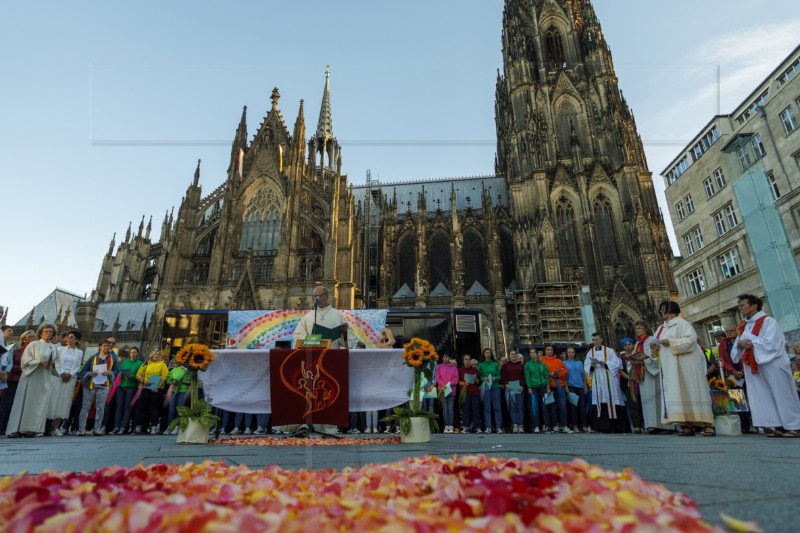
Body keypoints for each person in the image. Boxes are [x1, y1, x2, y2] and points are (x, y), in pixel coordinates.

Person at [730, 294, 800, 438]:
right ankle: (777, 425)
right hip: (755, 364)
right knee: (765, 395)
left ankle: (794, 426)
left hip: (773, 363)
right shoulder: (743, 325)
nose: (740, 307)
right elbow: (738, 345)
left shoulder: (768, 321)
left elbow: (773, 343)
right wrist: (740, 343)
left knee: (782, 394)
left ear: (754, 306)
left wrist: (750, 342)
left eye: (743, 304)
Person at [653, 301, 714, 436]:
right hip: (671, 367)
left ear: (671, 310)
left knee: (693, 391)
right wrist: (656, 347)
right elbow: (658, 344)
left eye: (663, 309)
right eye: (661, 309)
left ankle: (708, 424)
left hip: (687, 364)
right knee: (680, 393)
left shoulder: (683, 324)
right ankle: (688, 424)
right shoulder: (661, 328)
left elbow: (690, 341)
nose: (661, 312)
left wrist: (669, 342)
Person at [6, 324, 59, 437]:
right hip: (31, 377)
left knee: (39, 403)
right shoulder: (33, 344)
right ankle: (17, 428)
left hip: (44, 377)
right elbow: (25, 360)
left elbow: (58, 363)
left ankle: (32, 429)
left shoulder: (54, 347)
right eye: (46, 331)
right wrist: (39, 362)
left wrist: (53, 364)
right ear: (41, 333)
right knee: (25, 401)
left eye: (50, 332)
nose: (48, 333)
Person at [585, 332, 629, 433]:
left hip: (609, 378)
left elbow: (616, 363)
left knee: (612, 400)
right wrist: (591, 365)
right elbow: (586, 366)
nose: (595, 342)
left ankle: (615, 427)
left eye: (596, 339)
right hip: (597, 379)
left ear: (601, 340)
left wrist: (606, 364)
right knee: (600, 401)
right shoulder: (590, 353)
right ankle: (602, 427)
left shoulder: (609, 351)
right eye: (593, 340)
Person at [633, 321, 672, 434]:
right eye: (636, 328)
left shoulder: (651, 340)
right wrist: (633, 361)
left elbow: (655, 356)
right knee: (647, 401)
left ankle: (664, 426)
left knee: (657, 399)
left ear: (645, 329)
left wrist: (644, 362)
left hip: (652, 373)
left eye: (639, 328)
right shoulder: (637, 344)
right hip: (642, 374)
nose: (637, 330)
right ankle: (651, 425)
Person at [78, 339, 120, 436]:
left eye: (108, 346)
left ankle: (97, 428)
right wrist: (90, 373)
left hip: (103, 385)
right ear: (100, 347)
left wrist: (109, 373)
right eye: (104, 345)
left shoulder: (112, 358)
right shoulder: (93, 358)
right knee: (86, 407)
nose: (107, 347)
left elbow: (116, 371)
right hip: (90, 385)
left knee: (100, 408)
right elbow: (83, 371)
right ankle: (82, 429)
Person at [48, 330, 83, 436]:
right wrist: (62, 373)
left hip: (70, 379)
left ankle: (56, 428)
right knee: (53, 400)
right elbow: (56, 363)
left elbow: (78, 366)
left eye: (72, 337)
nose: (69, 339)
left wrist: (70, 374)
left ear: (76, 340)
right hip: (58, 376)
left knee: (64, 402)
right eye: (68, 337)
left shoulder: (79, 352)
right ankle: (47, 427)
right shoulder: (59, 349)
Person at [1, 329, 34, 433]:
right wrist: (25, 369)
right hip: (14, 380)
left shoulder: (35, 353)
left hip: (28, 381)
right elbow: (11, 365)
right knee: (7, 404)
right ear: (23, 339)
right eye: (29, 337)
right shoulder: (16, 351)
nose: (32, 339)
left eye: (33, 337)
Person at [135, 348, 168, 434]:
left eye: (158, 354)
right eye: (154, 354)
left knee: (154, 408)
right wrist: (143, 381)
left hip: (156, 389)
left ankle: (153, 426)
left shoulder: (162, 364)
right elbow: (138, 374)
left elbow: (164, 377)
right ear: (151, 355)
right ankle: (140, 426)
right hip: (146, 387)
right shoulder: (146, 364)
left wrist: (157, 387)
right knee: (142, 407)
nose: (156, 355)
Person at [113, 346, 143, 434]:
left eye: (134, 352)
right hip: (121, 386)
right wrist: (120, 375)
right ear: (129, 353)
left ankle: (123, 427)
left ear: (137, 353)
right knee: (119, 407)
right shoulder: (124, 362)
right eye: (131, 352)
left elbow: (139, 376)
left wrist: (131, 377)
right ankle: (116, 427)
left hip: (131, 387)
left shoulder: (140, 364)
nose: (133, 354)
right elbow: (119, 373)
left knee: (127, 407)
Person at [619, 338, 644, 433]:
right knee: (633, 405)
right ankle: (637, 426)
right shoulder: (621, 358)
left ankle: (645, 424)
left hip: (639, 382)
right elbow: (620, 370)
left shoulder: (637, 355)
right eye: (625, 345)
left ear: (633, 345)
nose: (627, 346)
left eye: (629, 344)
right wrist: (629, 378)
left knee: (641, 404)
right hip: (628, 383)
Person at [477, 347, 503, 433]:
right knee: (487, 408)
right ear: (484, 354)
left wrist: (495, 378)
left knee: (497, 407)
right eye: (486, 353)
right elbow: (478, 377)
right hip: (486, 387)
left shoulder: (495, 364)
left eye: (489, 353)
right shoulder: (480, 365)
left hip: (495, 387)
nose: (488, 354)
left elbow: (500, 376)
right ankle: (488, 427)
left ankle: (498, 427)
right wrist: (483, 378)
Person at [524, 349, 550, 433]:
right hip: (534, 388)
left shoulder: (542, 364)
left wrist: (548, 386)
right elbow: (527, 377)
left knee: (544, 407)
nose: (532, 354)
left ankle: (546, 425)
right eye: (530, 353)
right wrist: (529, 387)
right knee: (535, 407)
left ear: (537, 354)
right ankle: (536, 426)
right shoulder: (527, 365)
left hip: (543, 387)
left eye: (534, 352)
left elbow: (546, 375)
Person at [563, 346, 587, 433]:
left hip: (580, 386)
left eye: (572, 352)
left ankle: (584, 425)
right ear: (566, 353)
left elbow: (583, 375)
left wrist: (585, 387)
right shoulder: (564, 363)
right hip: (571, 386)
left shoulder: (580, 363)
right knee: (573, 407)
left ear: (575, 353)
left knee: (582, 407)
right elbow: (564, 376)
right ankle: (575, 425)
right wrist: (566, 387)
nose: (570, 353)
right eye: (569, 352)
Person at [501, 350, 526, 433]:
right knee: (512, 407)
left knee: (520, 407)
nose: (513, 355)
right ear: (509, 356)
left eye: (515, 354)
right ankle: (515, 425)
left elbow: (523, 376)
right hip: (510, 388)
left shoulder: (521, 365)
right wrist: (506, 384)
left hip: (519, 388)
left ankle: (521, 425)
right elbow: (503, 376)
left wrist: (522, 386)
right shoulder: (505, 365)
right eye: (511, 354)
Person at [435, 353, 459, 433]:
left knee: (450, 408)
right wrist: (443, 385)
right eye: (444, 357)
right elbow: (438, 377)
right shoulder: (439, 367)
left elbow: (456, 378)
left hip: (451, 390)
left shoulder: (454, 368)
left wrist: (450, 384)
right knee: (445, 408)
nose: (445, 358)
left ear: (449, 358)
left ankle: (451, 425)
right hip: (442, 390)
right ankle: (446, 426)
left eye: (447, 357)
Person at [459, 355, 481, 433]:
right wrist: (464, 383)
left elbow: (478, 382)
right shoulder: (460, 370)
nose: (467, 361)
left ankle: (477, 427)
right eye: (466, 359)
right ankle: (465, 427)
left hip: (475, 392)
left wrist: (475, 379)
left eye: (469, 359)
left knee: (476, 410)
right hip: (465, 392)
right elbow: (458, 382)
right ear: (463, 361)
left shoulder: (474, 370)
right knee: (466, 410)